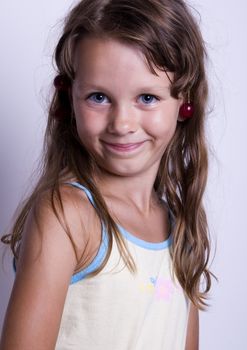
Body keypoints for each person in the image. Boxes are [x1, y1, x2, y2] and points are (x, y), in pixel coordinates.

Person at [0, 0, 214, 349]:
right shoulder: (68, 216)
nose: (122, 124)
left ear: (183, 101)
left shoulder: (180, 226)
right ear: (70, 99)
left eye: (147, 97)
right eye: (99, 97)